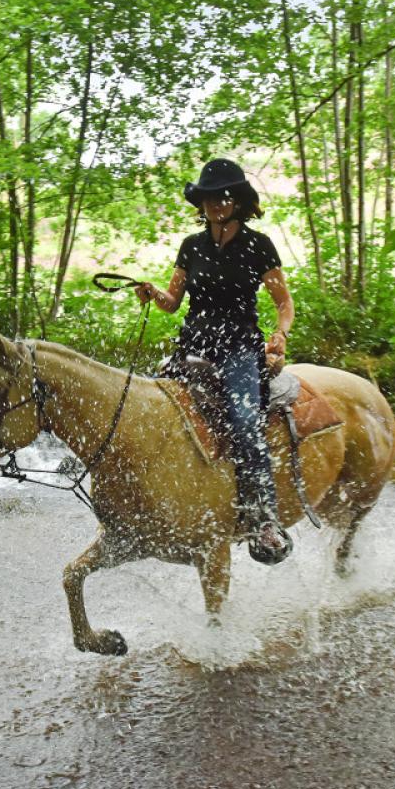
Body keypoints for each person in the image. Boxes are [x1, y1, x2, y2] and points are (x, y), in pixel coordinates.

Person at [135, 158, 294, 562]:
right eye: (208, 199)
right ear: (201, 204)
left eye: (223, 197)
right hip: (194, 344)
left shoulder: (259, 245)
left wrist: (281, 334)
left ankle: (265, 519)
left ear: (237, 201)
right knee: (154, 409)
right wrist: (154, 294)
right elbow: (173, 303)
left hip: (240, 346)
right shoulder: (192, 245)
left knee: (244, 421)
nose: (216, 205)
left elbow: (283, 301)